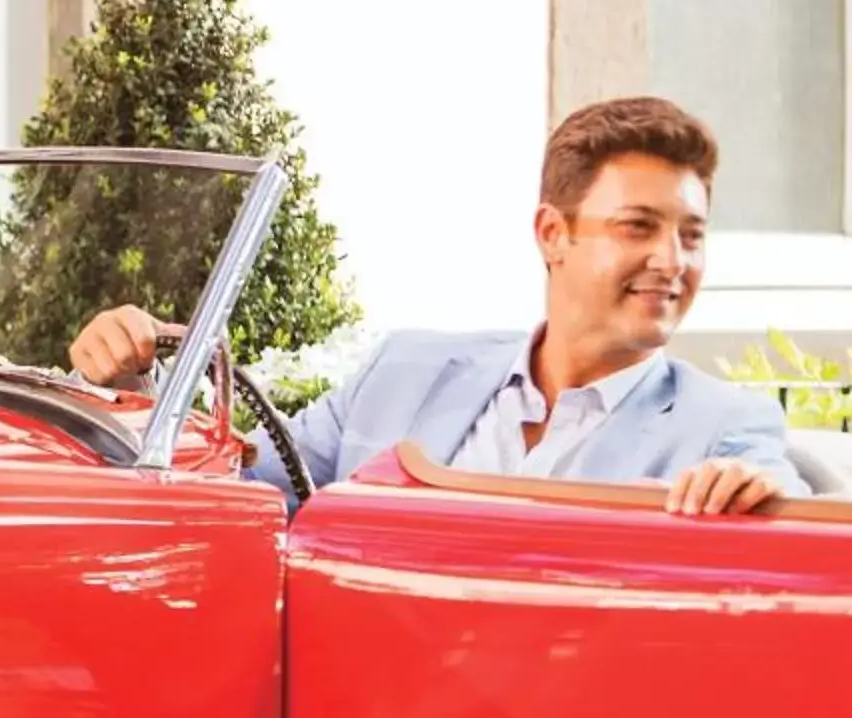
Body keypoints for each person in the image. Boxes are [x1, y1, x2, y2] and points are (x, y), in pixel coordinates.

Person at [69, 95, 804, 514]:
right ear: (553, 233)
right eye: (638, 228)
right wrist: (136, 388)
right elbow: (247, 490)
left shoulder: (726, 428)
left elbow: (790, 528)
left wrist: (759, 501)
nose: (671, 261)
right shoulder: (405, 367)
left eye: (692, 235)